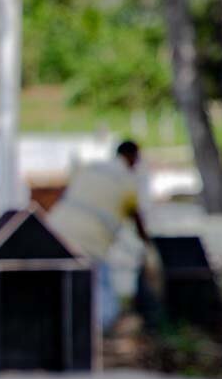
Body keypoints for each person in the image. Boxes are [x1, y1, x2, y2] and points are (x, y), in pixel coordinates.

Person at [47, 140, 156, 331]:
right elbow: (137, 219)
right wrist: (149, 246)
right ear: (133, 158)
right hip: (91, 241)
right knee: (102, 291)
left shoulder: (92, 169)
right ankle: (98, 330)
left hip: (56, 231)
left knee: (60, 285)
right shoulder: (128, 181)